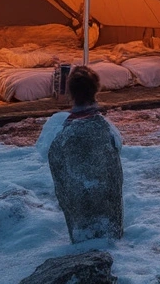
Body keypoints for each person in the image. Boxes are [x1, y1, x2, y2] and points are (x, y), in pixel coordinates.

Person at [45, 66, 124, 242]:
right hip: (107, 211)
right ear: (96, 90)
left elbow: (47, 155)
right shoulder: (107, 129)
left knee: (84, 233)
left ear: (70, 92)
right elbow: (118, 149)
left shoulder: (58, 129)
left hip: (78, 208)